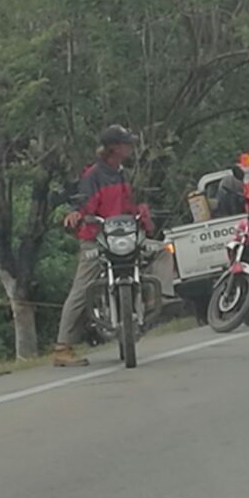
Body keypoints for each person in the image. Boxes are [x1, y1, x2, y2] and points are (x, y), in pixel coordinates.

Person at [55, 124, 153, 367]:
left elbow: (130, 204)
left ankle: (148, 308)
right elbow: (81, 201)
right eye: (126, 143)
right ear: (114, 148)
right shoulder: (93, 175)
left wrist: (142, 213)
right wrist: (76, 213)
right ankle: (61, 347)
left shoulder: (122, 173)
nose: (130, 147)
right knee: (82, 287)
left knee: (161, 253)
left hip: (125, 237)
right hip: (96, 239)